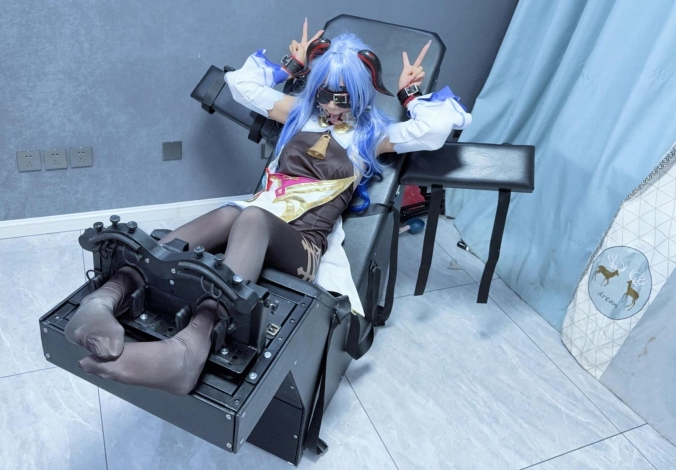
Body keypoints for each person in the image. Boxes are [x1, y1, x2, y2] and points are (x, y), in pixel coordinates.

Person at [64, 20, 472, 395]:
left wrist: (409, 94)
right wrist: (290, 66)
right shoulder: (299, 113)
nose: (332, 107)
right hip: (255, 218)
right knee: (232, 212)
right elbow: (242, 85)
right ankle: (108, 296)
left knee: (253, 216)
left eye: (343, 99)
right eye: (325, 95)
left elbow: (434, 129)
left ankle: (189, 350)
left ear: (361, 95)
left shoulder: (372, 136)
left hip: (303, 247)